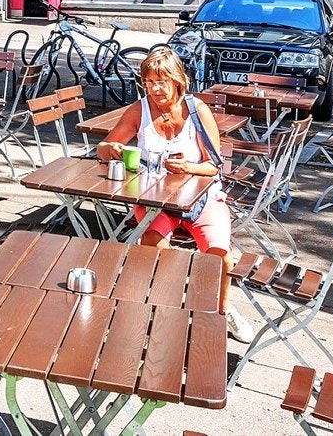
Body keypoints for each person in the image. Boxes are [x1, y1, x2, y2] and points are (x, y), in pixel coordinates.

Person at [93, 47, 255, 342]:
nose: (155, 89)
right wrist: (111, 150)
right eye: (149, 83)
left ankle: (222, 311)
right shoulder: (139, 110)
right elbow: (103, 148)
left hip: (201, 196)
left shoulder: (197, 111)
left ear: (178, 80)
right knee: (153, 245)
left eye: (162, 82)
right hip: (155, 199)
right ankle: (163, 309)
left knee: (220, 254)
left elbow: (214, 168)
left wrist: (188, 167)